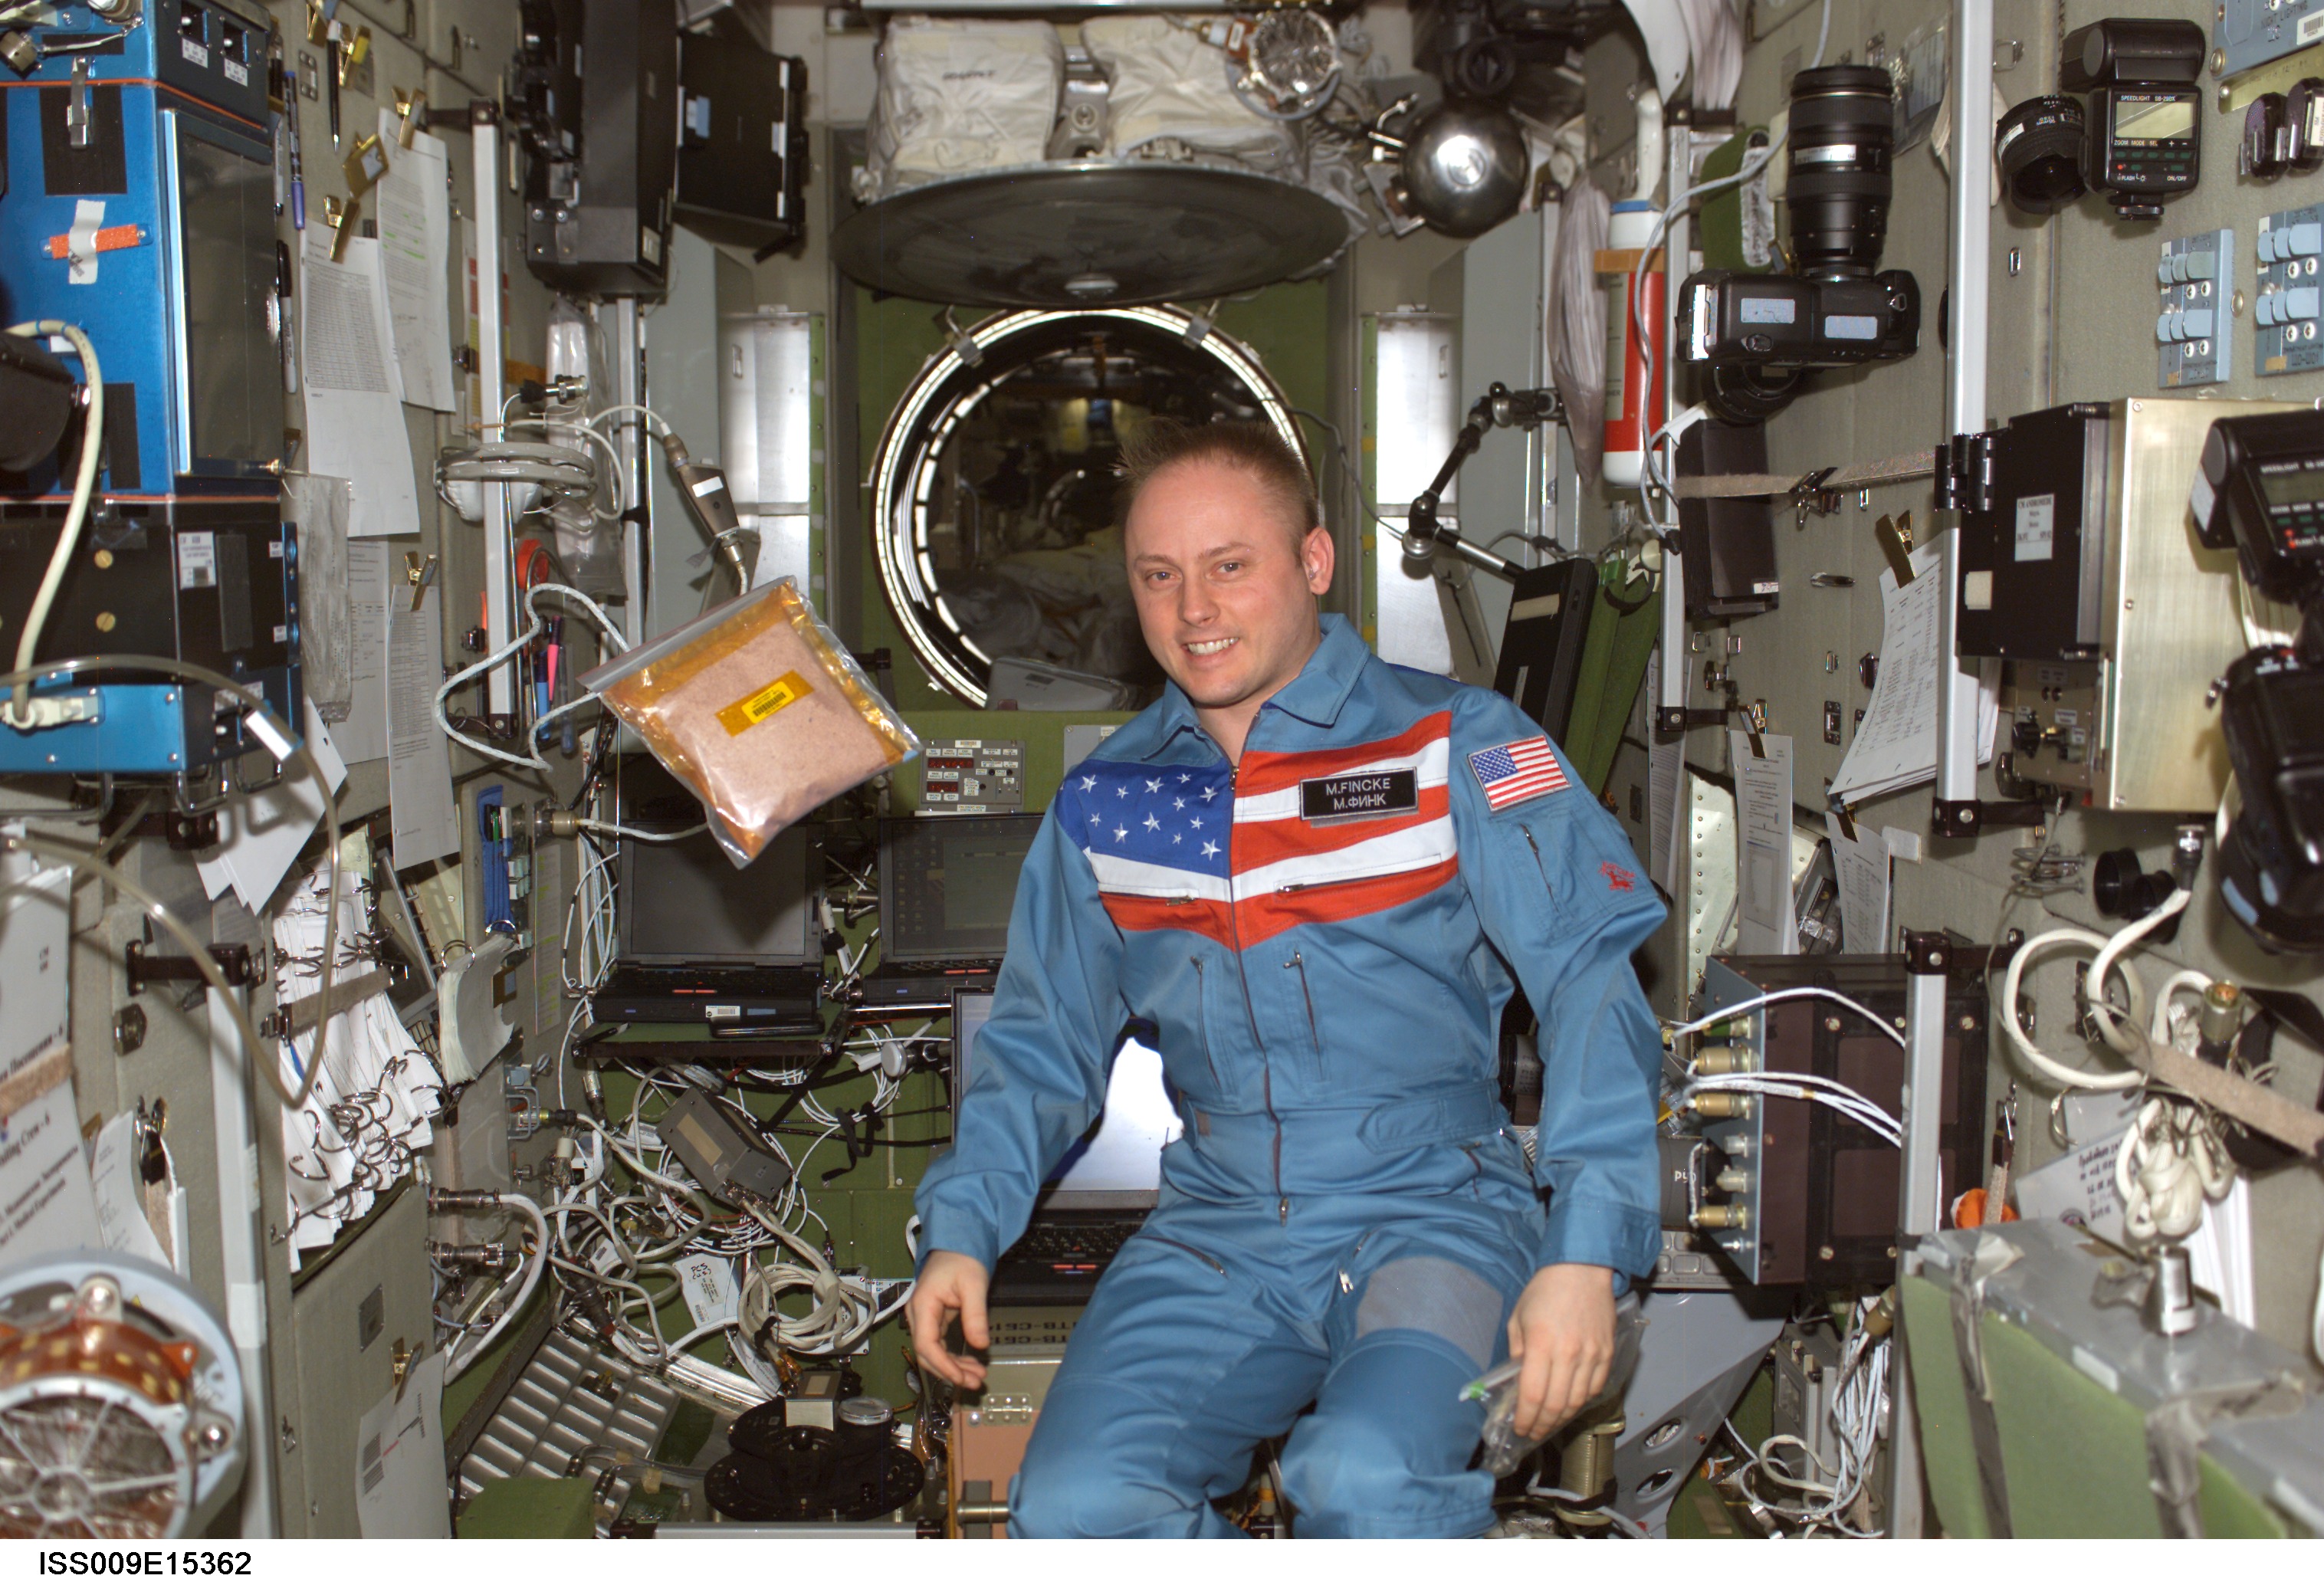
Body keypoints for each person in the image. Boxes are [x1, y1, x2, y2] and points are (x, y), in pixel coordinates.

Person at [906, 419, 1666, 1538]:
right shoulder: (1111, 803)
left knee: (1366, 1478)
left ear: (1314, 563)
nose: (1193, 610)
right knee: (1075, 1509)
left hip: (1432, 1214)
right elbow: (1039, 1042)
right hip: (1223, 1230)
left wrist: (1588, 1251)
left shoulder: (1452, 744)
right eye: (1159, 576)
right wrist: (963, 1227)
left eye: (1230, 567)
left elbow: (1593, 987)